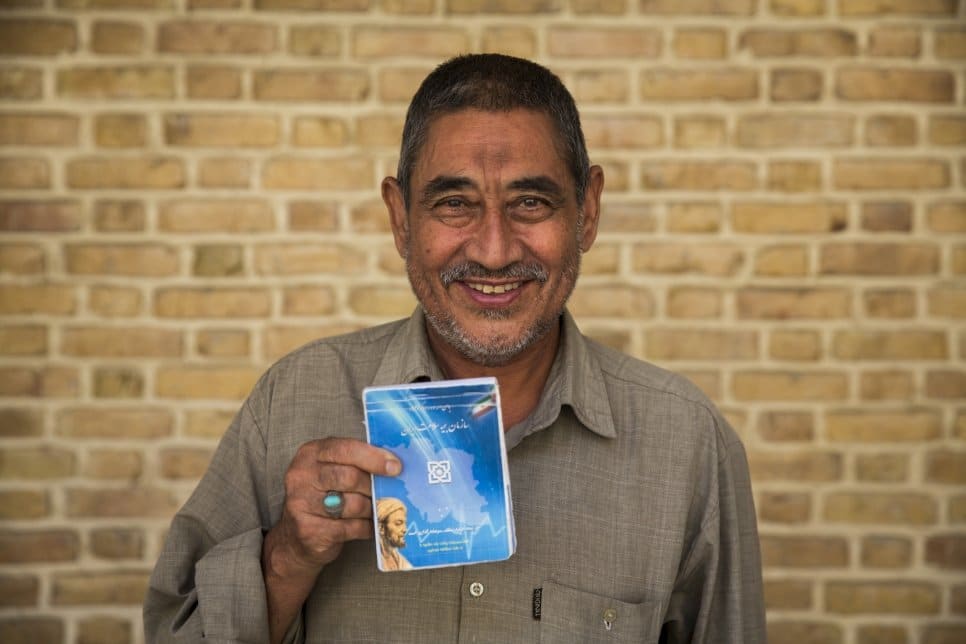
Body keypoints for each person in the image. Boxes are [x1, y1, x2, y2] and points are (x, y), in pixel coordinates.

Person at [144, 53, 765, 643]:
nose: (494, 250)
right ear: (401, 219)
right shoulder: (293, 401)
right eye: (454, 204)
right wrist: (285, 558)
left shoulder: (686, 443)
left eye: (530, 202)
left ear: (588, 212)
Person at [375, 498, 412, 571]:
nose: (405, 530)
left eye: (405, 524)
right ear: (381, 528)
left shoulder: (400, 560)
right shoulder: (377, 558)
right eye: (398, 523)